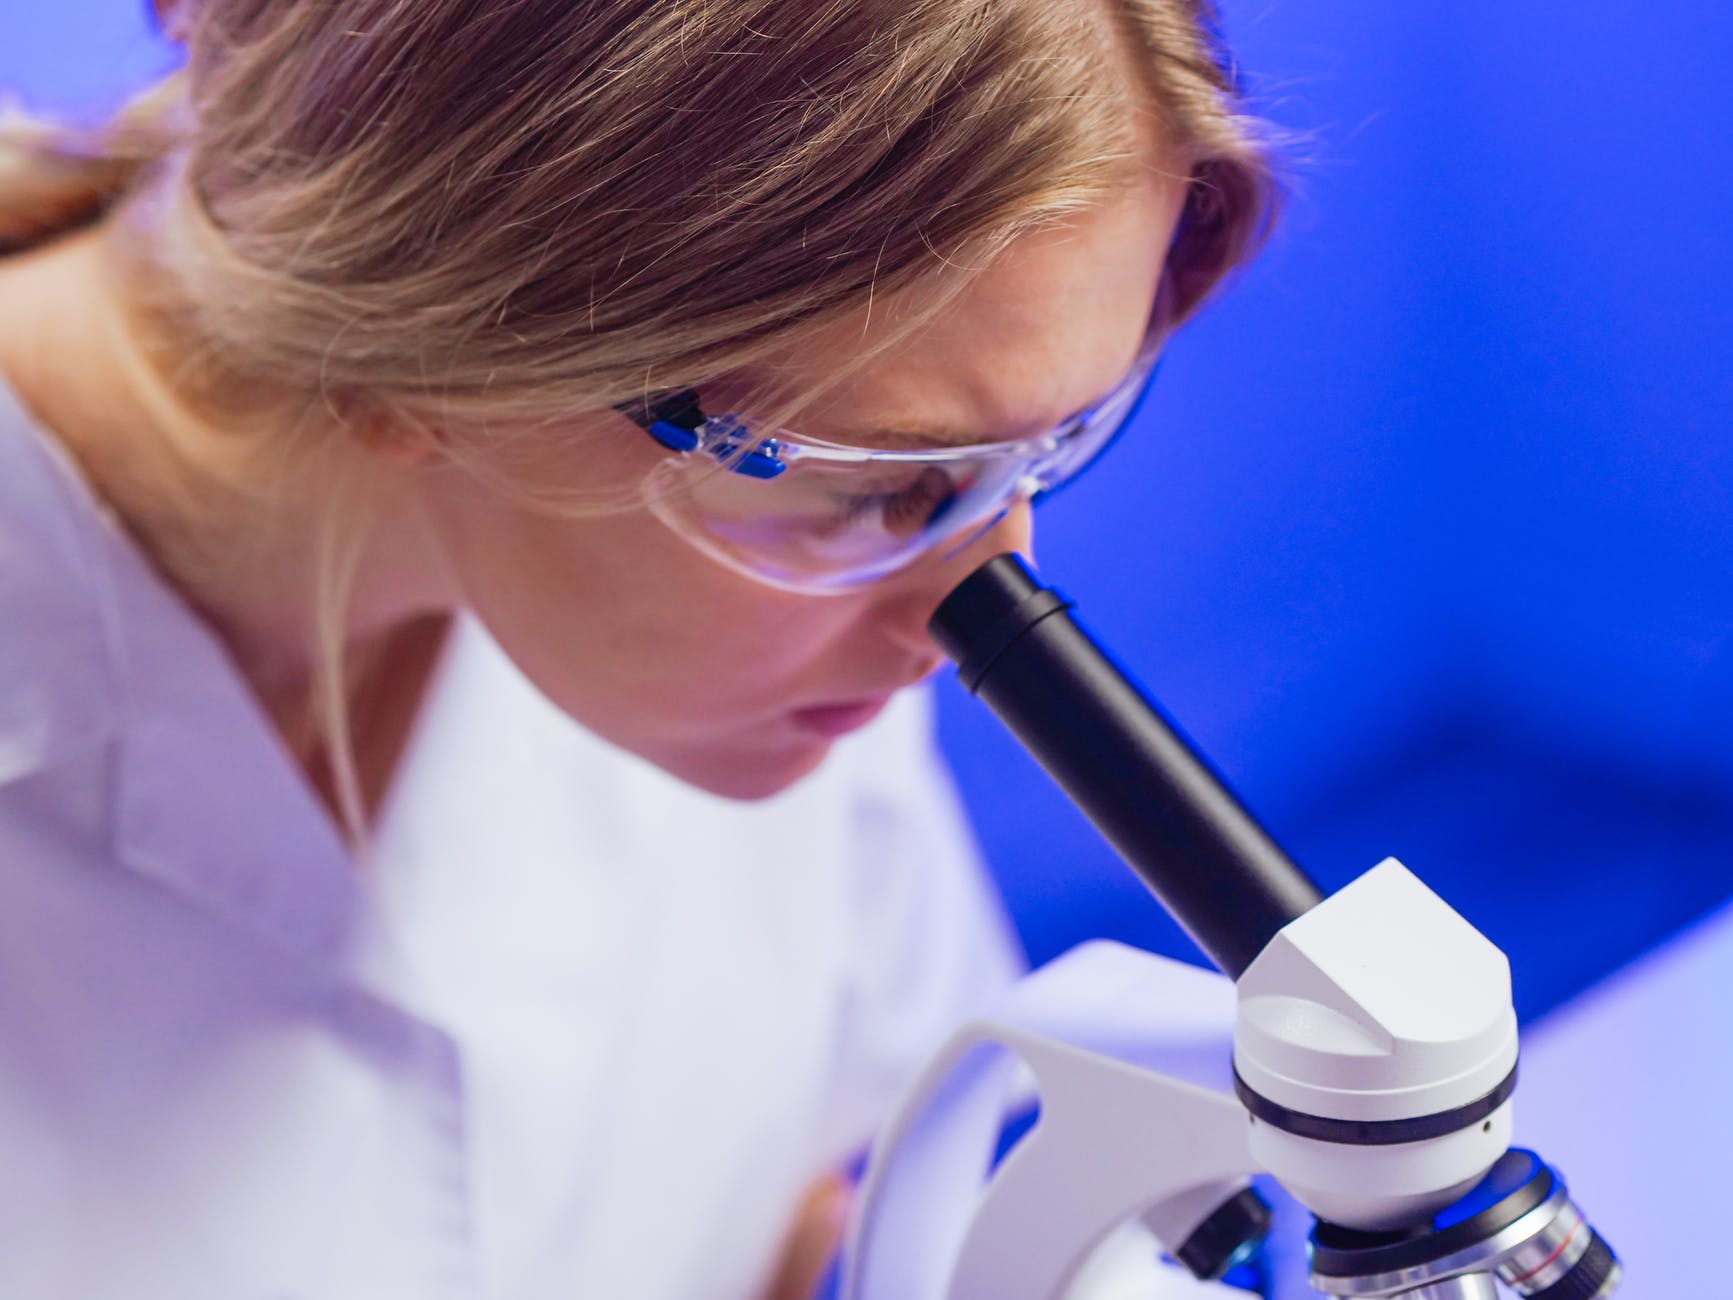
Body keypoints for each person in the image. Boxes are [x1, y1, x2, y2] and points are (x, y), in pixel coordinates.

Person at [0, 0, 1278, 1295]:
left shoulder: (768, 591)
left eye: (1045, 449)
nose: (965, 618)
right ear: (438, 340)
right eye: (885, 484)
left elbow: (805, 1206)